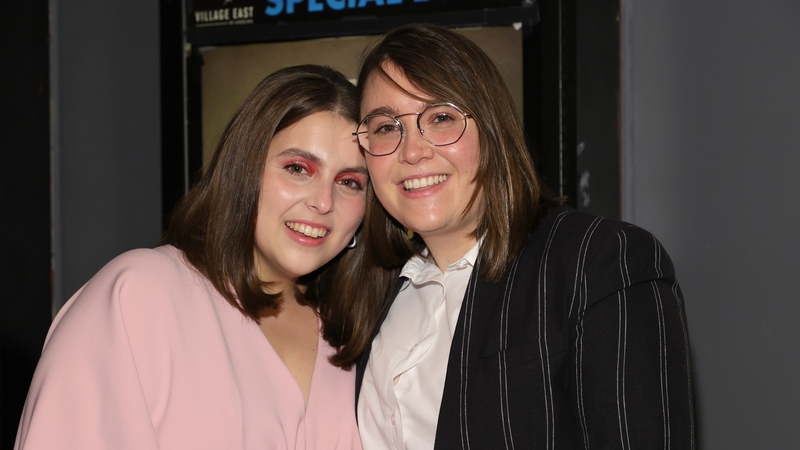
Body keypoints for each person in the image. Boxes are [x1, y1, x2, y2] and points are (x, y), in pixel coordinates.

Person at [353, 24, 694, 449]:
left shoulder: (600, 263)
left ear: (493, 128)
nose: (412, 151)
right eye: (386, 127)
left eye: (440, 118)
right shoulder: (371, 294)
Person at [15, 65, 370, 450]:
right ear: (244, 169)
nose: (323, 202)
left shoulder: (359, 335)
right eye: (298, 168)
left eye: (349, 182)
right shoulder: (138, 296)